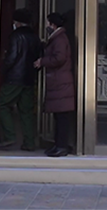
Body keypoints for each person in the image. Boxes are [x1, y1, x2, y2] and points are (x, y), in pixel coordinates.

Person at [0, 8, 42, 151]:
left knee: (2, 105)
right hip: (29, 78)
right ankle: (29, 142)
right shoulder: (35, 37)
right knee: (26, 111)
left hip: (14, 78)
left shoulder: (16, 36)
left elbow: (12, 57)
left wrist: (2, 70)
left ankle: (10, 136)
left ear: (17, 22)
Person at [34, 12, 75, 157]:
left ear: (53, 24)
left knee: (62, 117)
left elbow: (59, 58)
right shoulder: (57, 38)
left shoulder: (59, 39)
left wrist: (43, 61)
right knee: (59, 116)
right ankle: (58, 145)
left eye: (47, 23)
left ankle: (61, 146)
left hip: (60, 83)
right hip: (59, 82)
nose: (46, 25)